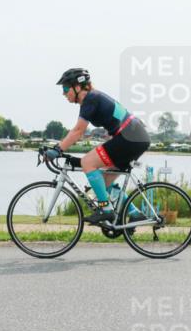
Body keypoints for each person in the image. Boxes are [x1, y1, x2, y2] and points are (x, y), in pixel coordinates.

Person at [47, 68, 150, 225]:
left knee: (88, 162)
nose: (64, 93)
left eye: (66, 89)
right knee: (103, 182)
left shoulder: (91, 98)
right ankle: (135, 214)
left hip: (130, 138)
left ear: (78, 87)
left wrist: (58, 149)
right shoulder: (94, 98)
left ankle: (105, 209)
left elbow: (78, 131)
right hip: (134, 137)